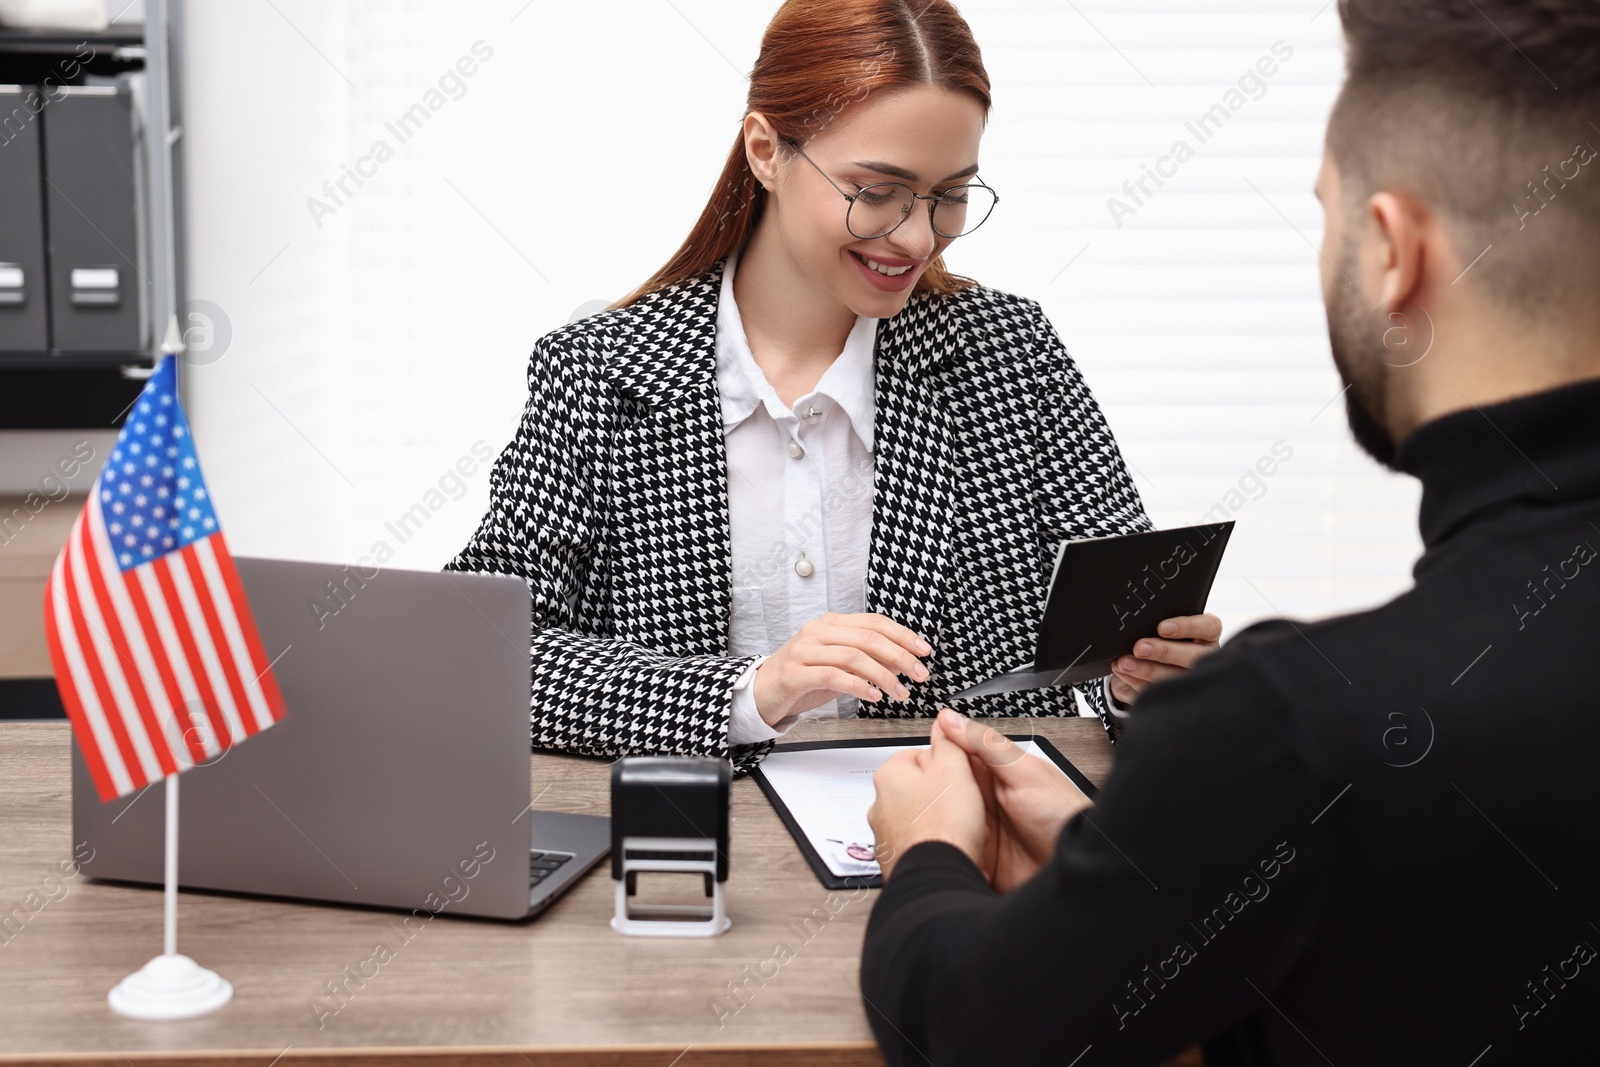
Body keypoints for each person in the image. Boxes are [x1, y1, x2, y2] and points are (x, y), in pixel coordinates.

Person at [860, 0, 1600, 1062]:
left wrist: (927, 851)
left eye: (1327, 213)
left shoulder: (1290, 729)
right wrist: (1155, 862)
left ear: (1391, 252)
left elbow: (968, 1030)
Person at [444, 0, 1220, 774]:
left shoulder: (1010, 356)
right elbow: (479, 656)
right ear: (765, 150)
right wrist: (750, 691)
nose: (917, 237)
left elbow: (1125, 629)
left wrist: (1140, 683)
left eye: (950, 195)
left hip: (967, 851)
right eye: (876, 191)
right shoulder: (601, 372)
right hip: (705, 855)